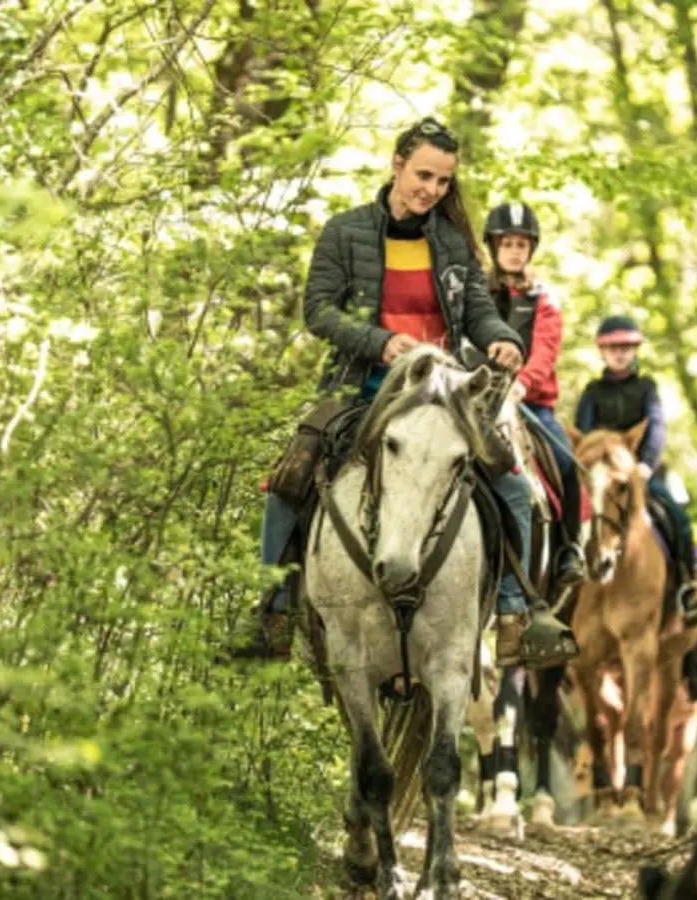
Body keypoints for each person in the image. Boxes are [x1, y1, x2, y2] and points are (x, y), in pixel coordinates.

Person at [234, 117, 578, 669]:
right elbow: (317, 310)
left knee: (514, 482)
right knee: (289, 478)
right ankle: (271, 613)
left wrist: (504, 340)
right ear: (397, 166)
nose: (432, 190)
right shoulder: (344, 232)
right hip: (361, 388)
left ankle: (517, 615)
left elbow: (479, 314)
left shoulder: (453, 243)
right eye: (423, 176)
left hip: (443, 395)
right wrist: (379, 342)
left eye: (443, 182)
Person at [574, 315, 697, 697]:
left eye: (625, 349)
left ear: (634, 351)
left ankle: (686, 584)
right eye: (612, 349)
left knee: (677, 514)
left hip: (643, 471)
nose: (619, 355)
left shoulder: (647, 388)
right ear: (603, 352)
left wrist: (645, 464)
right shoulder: (592, 392)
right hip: (604, 475)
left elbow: (657, 426)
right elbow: (584, 433)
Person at [482, 201, 585, 587]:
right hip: (477, 398)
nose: (513, 250)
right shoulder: (477, 293)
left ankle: (569, 549)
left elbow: (545, 349)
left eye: (521, 245)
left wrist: (521, 385)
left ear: (530, 251)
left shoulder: (544, 299)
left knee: (566, 462)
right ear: (494, 247)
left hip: (529, 405)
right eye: (506, 243)